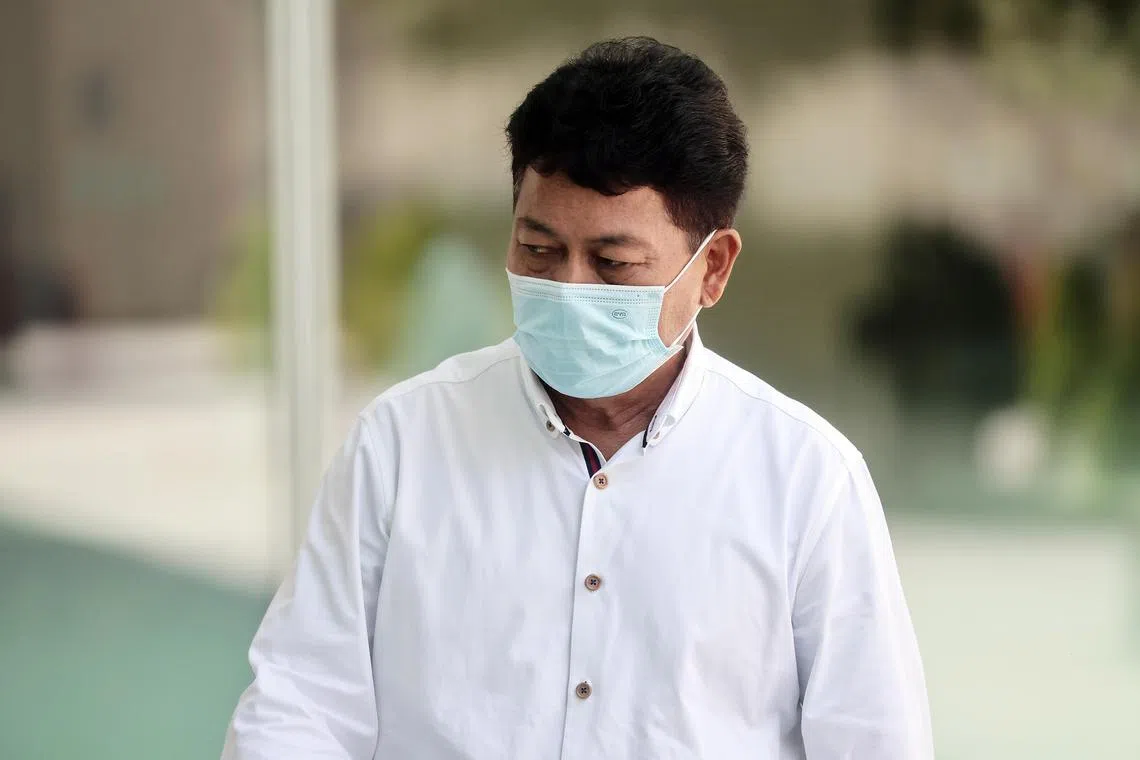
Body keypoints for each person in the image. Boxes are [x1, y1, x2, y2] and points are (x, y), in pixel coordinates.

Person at [222, 37, 933, 759]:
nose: (568, 288)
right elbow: (297, 709)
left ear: (713, 267)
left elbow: (874, 741)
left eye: (613, 262)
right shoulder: (402, 443)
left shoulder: (806, 480)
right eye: (538, 250)